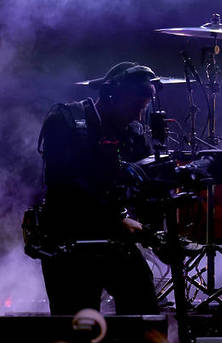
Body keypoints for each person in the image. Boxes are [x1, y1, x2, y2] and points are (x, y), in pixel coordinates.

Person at [32, 61, 161, 315]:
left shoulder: (130, 134)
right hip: (69, 243)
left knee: (144, 313)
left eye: (143, 109)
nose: (138, 116)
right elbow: (64, 186)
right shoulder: (65, 120)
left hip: (112, 238)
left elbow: (141, 181)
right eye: (136, 106)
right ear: (110, 95)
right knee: (78, 328)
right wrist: (119, 220)